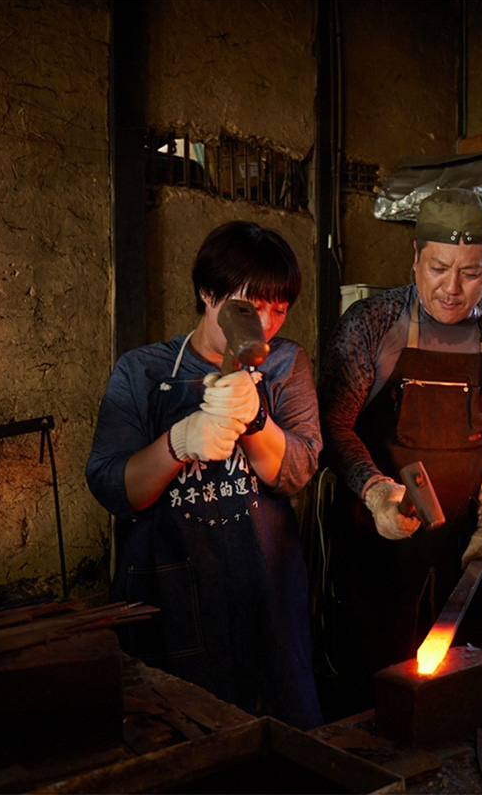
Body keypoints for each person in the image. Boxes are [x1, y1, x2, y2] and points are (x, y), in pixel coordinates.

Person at [86, 221, 323, 729]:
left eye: (279, 309)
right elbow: (112, 486)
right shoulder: (142, 372)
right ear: (208, 291)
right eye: (251, 306)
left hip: (264, 587)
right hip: (167, 589)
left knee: (277, 732)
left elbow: (297, 470)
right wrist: (179, 442)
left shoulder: (284, 365)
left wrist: (255, 420)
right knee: (174, 731)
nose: (266, 323)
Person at [319, 188, 482, 715]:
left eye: (472, 273)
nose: (452, 289)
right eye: (438, 267)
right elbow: (334, 428)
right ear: (415, 256)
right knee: (373, 686)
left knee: (453, 684)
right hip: (378, 543)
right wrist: (375, 493)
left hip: (460, 547)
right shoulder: (371, 323)